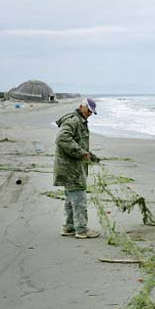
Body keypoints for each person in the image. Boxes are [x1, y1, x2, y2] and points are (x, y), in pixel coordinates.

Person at [53, 97, 101, 239]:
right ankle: (81, 230)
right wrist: (81, 153)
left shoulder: (80, 121)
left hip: (71, 166)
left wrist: (91, 156)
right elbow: (62, 139)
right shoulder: (73, 121)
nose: (90, 114)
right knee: (79, 198)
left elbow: (79, 144)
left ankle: (68, 227)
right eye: (89, 111)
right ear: (81, 107)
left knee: (71, 198)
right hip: (70, 168)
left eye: (92, 112)